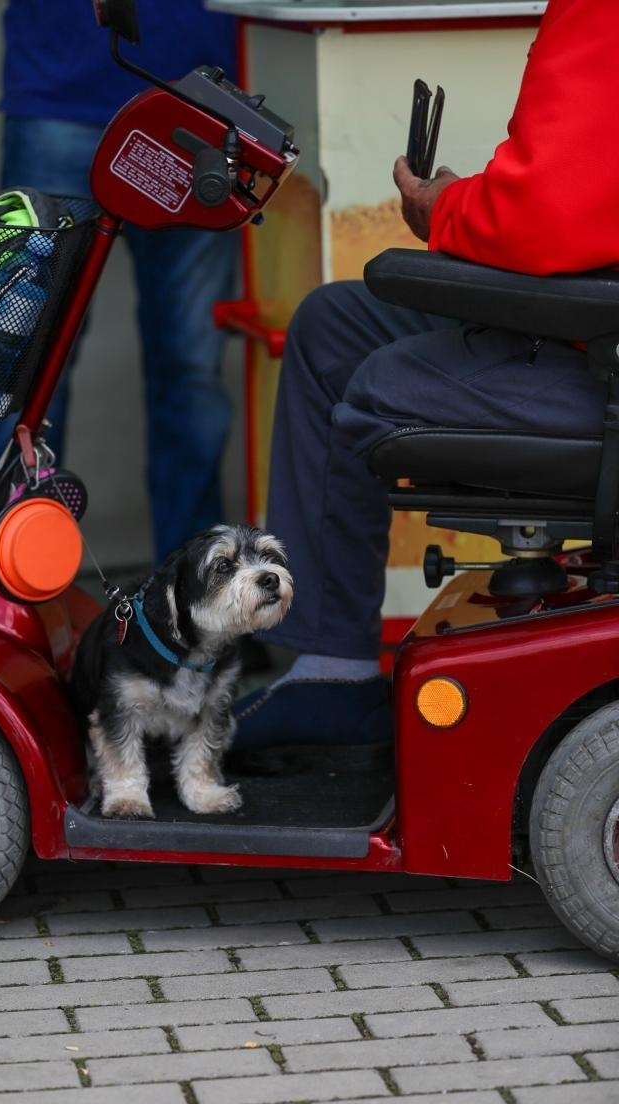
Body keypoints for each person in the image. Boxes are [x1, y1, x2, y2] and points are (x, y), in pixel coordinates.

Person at [233, 0, 619, 752]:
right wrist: (465, 207)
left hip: (600, 362)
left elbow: (543, 216)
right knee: (335, 327)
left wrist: (443, 210)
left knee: (375, 378)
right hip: (595, 327)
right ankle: (332, 673)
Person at [0, 0, 239, 563]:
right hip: (61, 95)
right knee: (28, 362)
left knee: (190, 369)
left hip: (199, 106)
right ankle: (9, 586)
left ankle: (194, 607)